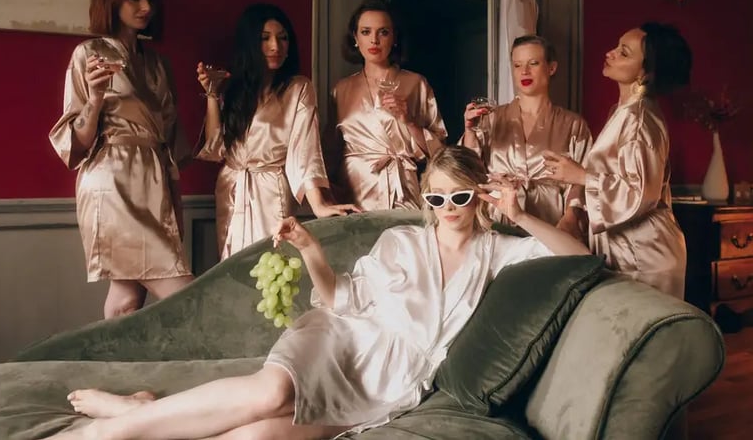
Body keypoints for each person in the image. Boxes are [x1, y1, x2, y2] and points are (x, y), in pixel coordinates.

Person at [44, 145, 589, 440]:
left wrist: (520, 215)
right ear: (425, 199)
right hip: (342, 341)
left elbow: (579, 258)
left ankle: (142, 411)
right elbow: (340, 300)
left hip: (391, 383)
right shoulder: (402, 240)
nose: (448, 209)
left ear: (480, 197)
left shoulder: (499, 253)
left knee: (255, 439)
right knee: (267, 395)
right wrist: (310, 250)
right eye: (438, 198)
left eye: (461, 197)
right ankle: (111, 433)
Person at [49, 0, 194, 319]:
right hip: (112, 181)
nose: (146, 7)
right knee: (189, 297)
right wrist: (95, 98)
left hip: (154, 181)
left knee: (126, 300)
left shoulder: (159, 64)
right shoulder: (89, 54)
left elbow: (170, 139)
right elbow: (78, 143)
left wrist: (175, 203)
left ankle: (107, 358)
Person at [195, 3, 356, 260]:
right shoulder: (234, 90)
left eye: (283, 38)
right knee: (233, 267)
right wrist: (213, 94)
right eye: (265, 38)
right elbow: (215, 148)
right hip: (232, 188)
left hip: (271, 190)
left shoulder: (298, 88)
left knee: (273, 266)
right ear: (250, 43)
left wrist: (318, 204)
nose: (275, 46)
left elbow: (304, 151)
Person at [542, 22, 692, 298]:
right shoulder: (624, 112)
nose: (610, 53)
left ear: (646, 73)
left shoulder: (639, 119)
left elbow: (640, 194)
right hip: (628, 249)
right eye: (616, 46)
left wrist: (581, 176)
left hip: (644, 257)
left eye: (624, 52)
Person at [461, 35, 592, 240]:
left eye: (533, 63)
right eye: (517, 65)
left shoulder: (573, 124)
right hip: (498, 217)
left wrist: (570, 217)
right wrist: (470, 131)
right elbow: (468, 169)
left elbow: (582, 179)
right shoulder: (492, 118)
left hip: (551, 219)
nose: (524, 71)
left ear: (551, 68)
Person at [323, 0, 448, 211]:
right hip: (355, 192)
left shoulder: (416, 84)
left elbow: (440, 151)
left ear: (394, 37)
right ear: (355, 38)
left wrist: (409, 121)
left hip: (403, 189)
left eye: (383, 32)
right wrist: (326, 198)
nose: (374, 40)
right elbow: (330, 152)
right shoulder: (341, 89)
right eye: (366, 32)